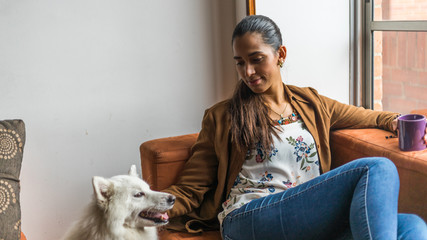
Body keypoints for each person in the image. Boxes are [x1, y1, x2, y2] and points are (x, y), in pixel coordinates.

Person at [163, 15, 427, 240]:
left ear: (280, 55)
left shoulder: (310, 103)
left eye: (256, 59)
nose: (248, 72)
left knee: (412, 226)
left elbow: (366, 116)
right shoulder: (223, 116)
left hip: (305, 217)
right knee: (378, 168)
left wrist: (395, 120)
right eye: (240, 62)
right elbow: (191, 188)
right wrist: (150, 205)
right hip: (247, 217)